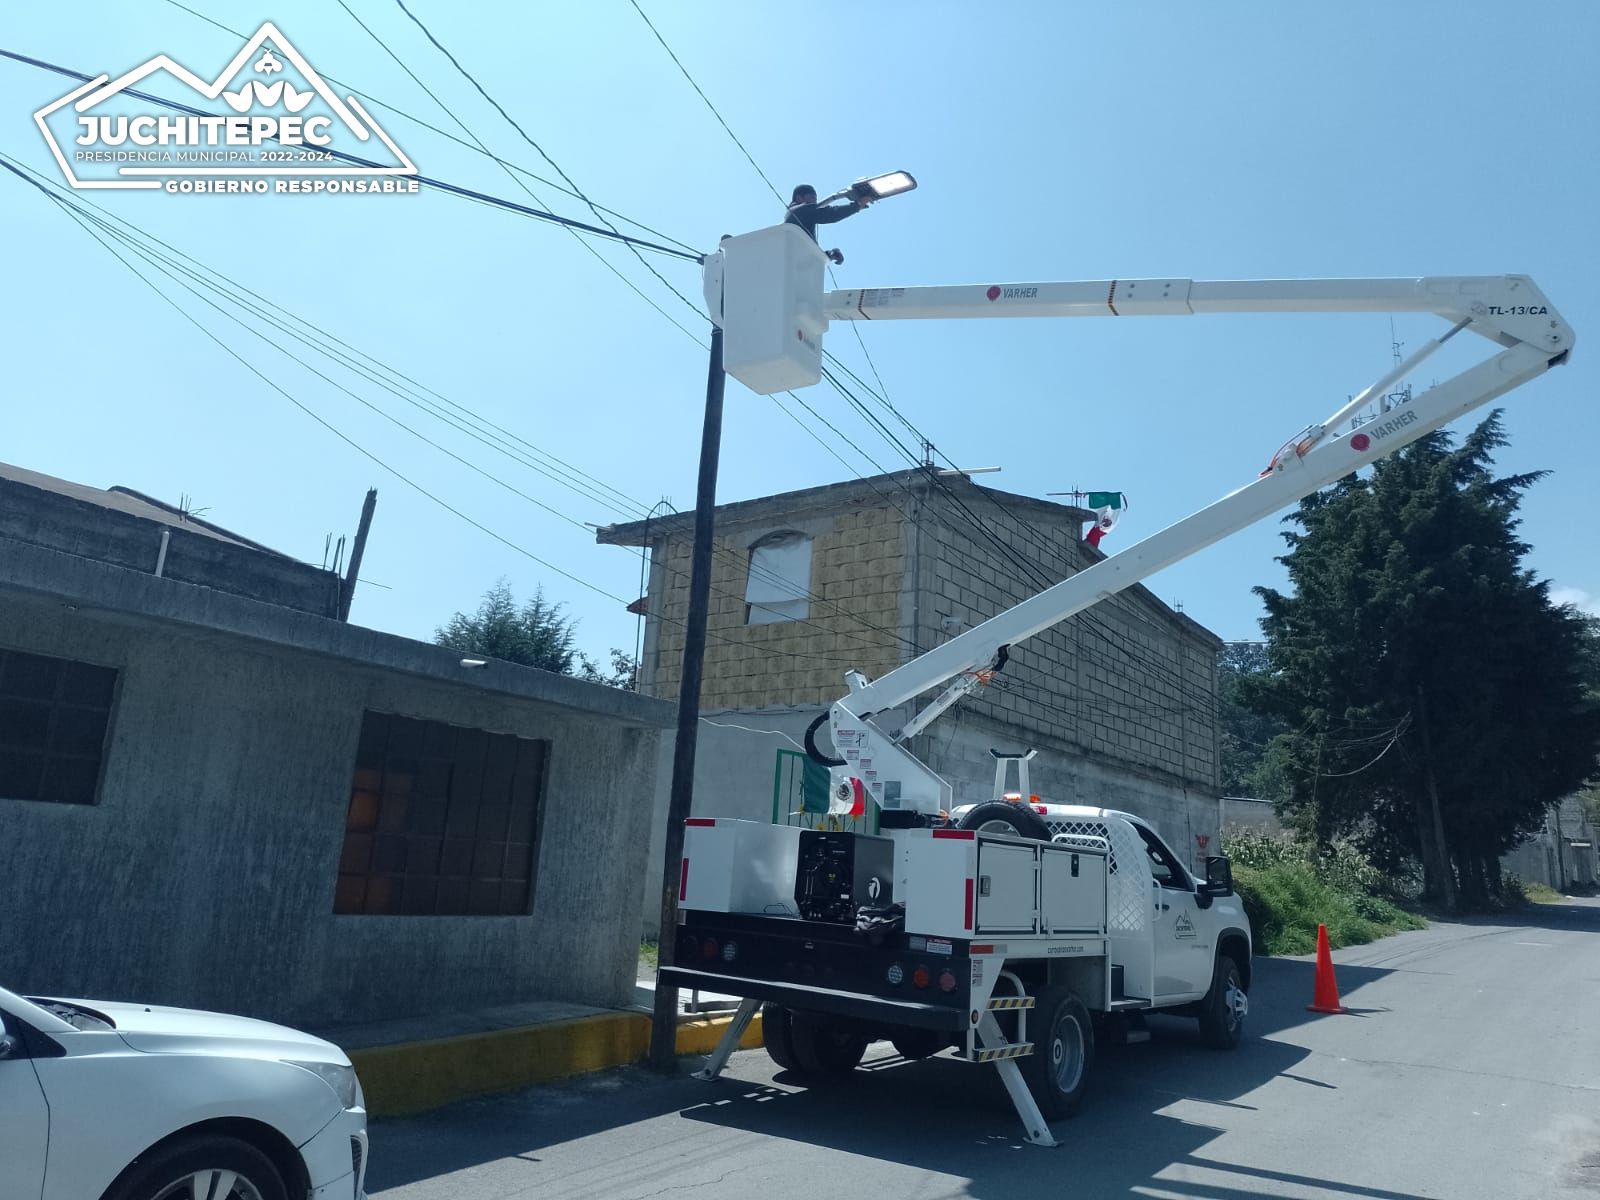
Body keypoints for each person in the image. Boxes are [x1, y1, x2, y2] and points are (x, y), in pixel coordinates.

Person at [784, 184, 871, 264]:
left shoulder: (795, 216)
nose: (815, 202)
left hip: (795, 266)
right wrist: (857, 205)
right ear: (799, 198)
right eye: (812, 197)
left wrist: (830, 255)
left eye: (816, 199)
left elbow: (807, 256)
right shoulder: (799, 210)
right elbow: (831, 214)